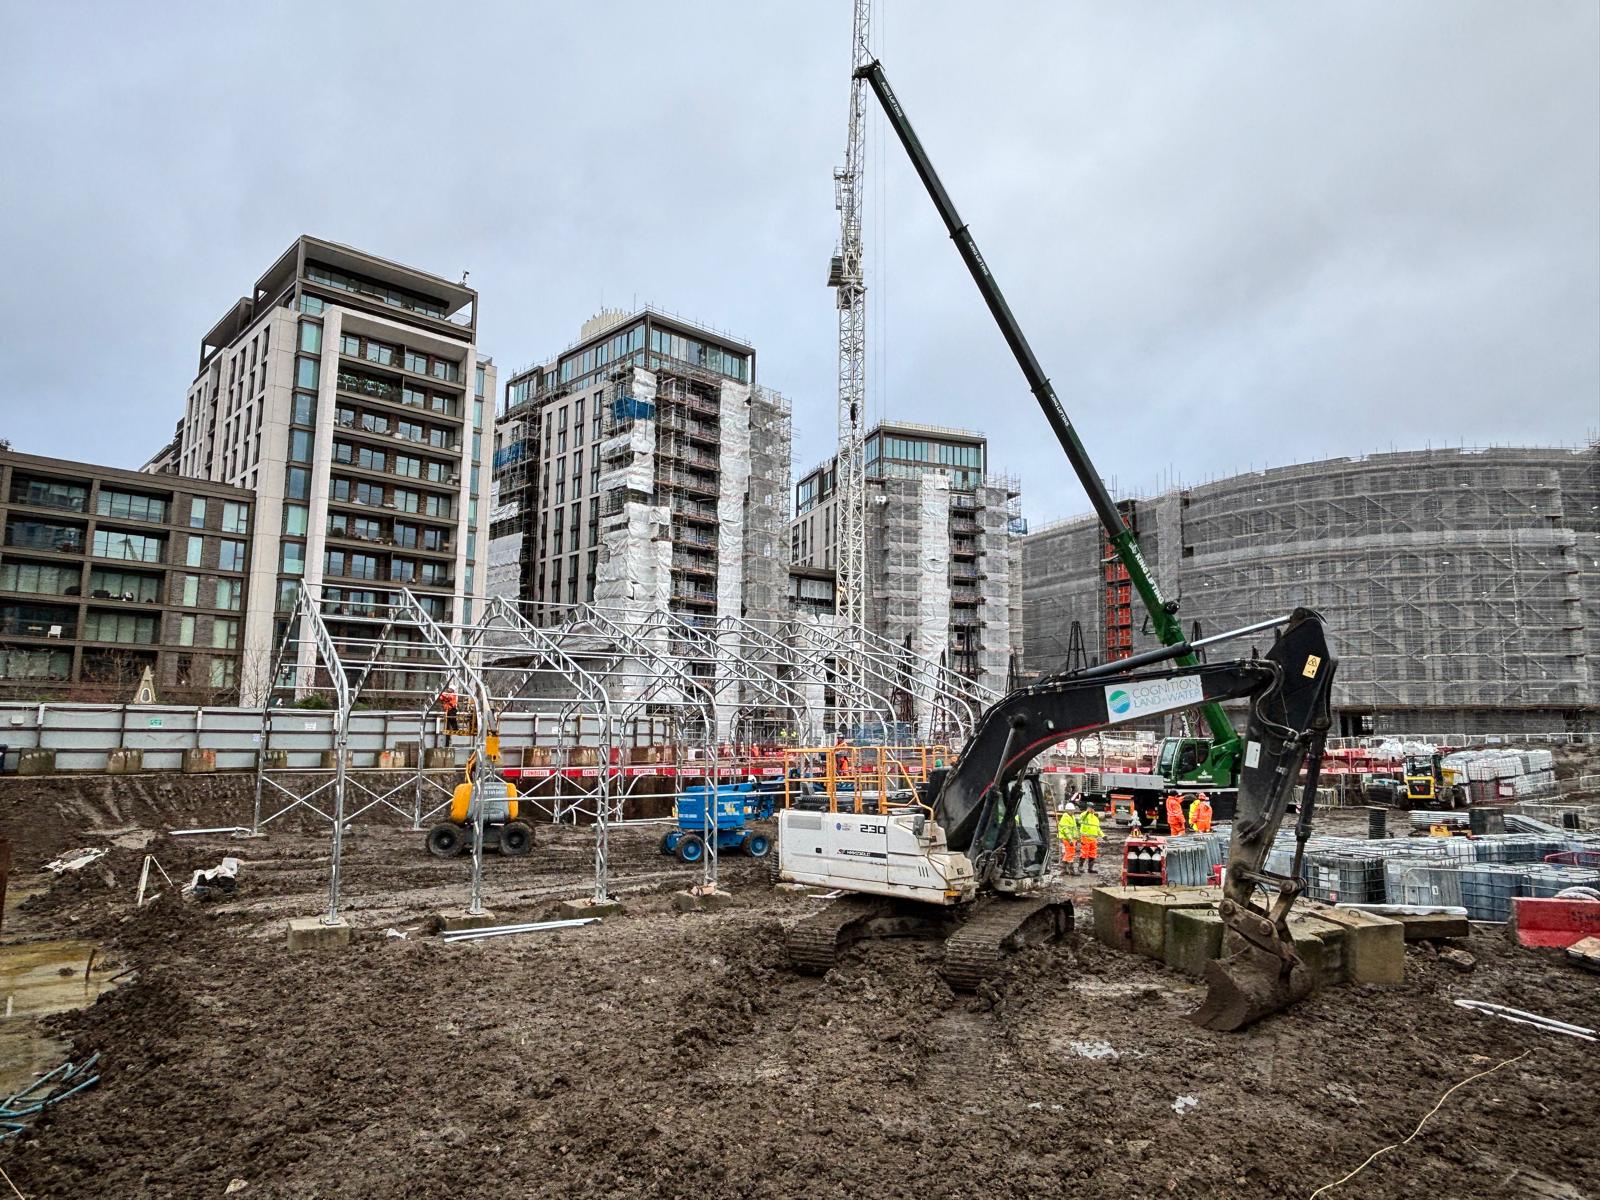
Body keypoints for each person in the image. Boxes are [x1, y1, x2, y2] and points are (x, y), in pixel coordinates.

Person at [1078, 804, 1102, 876]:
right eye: (1091, 808)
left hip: (1093, 839)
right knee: (1084, 853)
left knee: (1093, 853)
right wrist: (1087, 812)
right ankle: (1080, 867)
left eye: (1093, 808)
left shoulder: (1095, 818)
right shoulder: (1084, 815)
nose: (1092, 810)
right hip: (1085, 837)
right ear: (1088, 808)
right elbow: (1081, 819)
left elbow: (1098, 829)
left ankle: (1090, 869)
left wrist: (1103, 835)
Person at [1057, 803, 1080, 871]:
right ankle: (1071, 870)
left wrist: (1076, 837)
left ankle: (1064, 869)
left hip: (1071, 838)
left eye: (1073, 810)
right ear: (1068, 810)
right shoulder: (1066, 818)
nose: (1073, 812)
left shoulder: (1071, 817)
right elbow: (1066, 830)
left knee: (1068, 853)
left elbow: (1074, 829)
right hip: (1068, 838)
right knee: (1070, 853)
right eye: (1072, 810)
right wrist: (1070, 839)